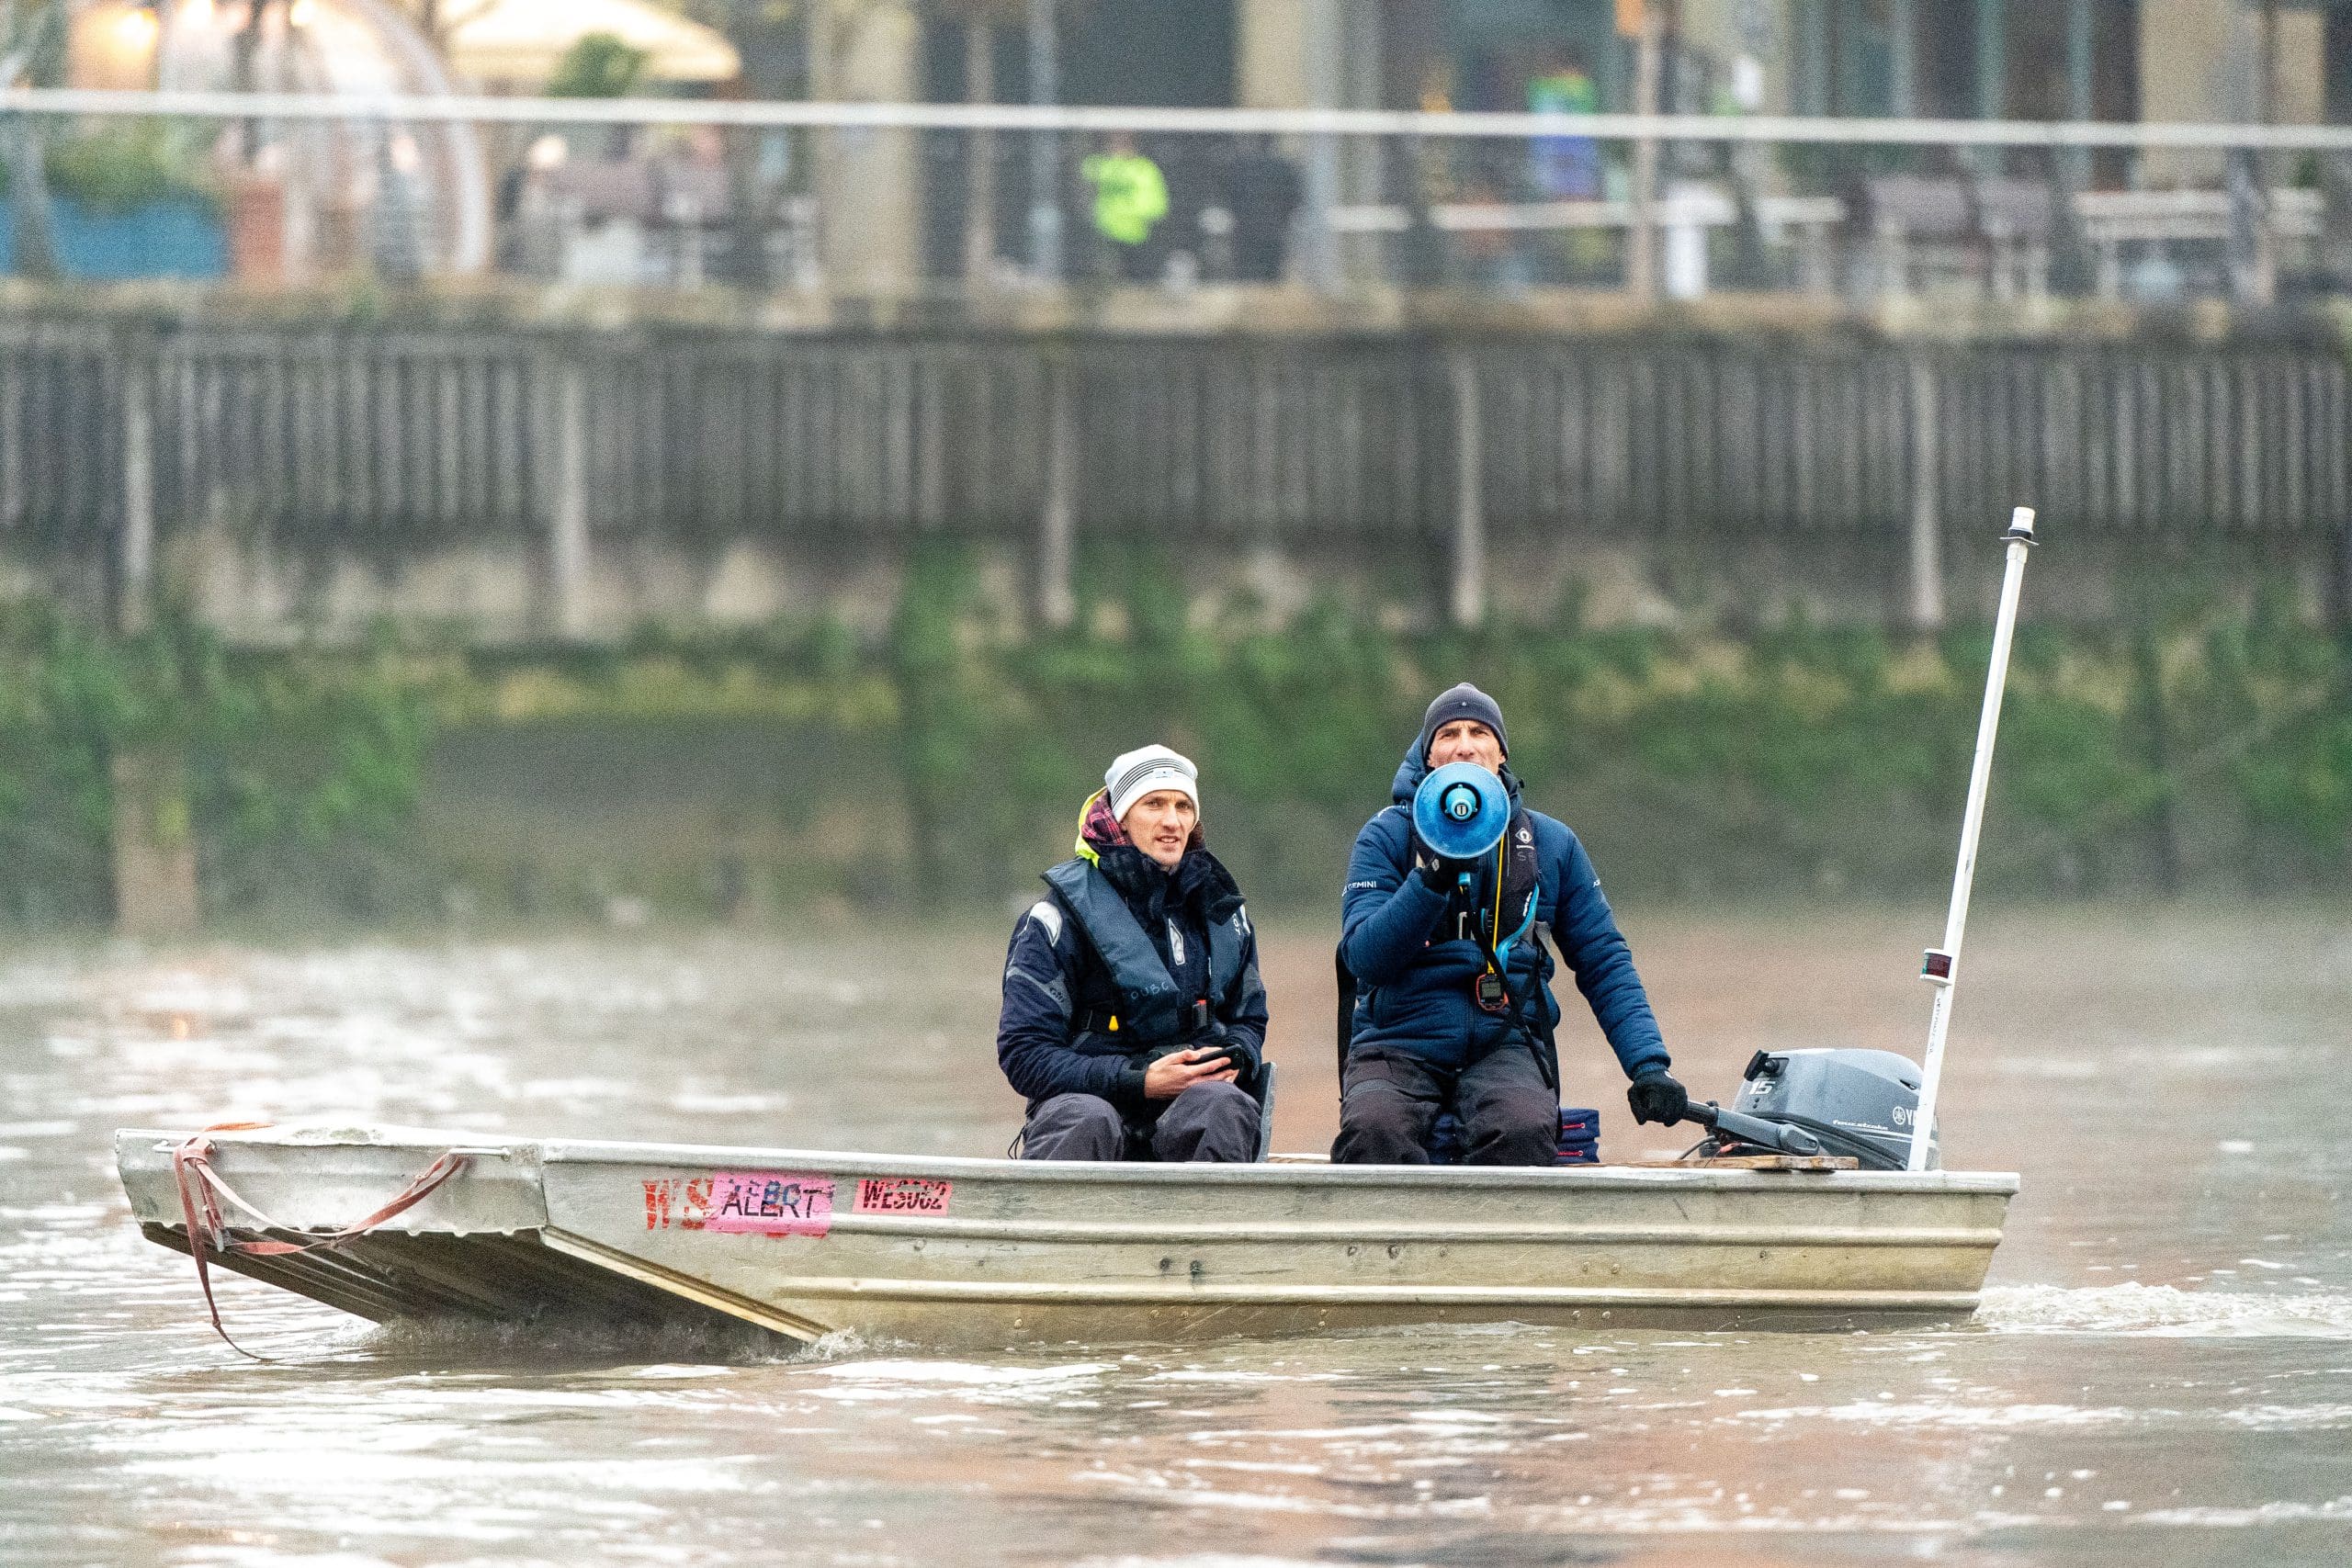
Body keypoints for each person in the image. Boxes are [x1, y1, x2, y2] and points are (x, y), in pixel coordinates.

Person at [1332, 683, 1687, 1165]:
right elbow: (1364, 958)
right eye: (1449, 734)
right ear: (1429, 756)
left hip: (1506, 1041)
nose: (1465, 744)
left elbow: (1604, 959)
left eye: (1479, 732)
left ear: (1500, 753)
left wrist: (1648, 1065)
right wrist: (1430, 879)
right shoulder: (1385, 837)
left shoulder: (1550, 844)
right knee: (1374, 1130)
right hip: (1397, 1041)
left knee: (1522, 1128)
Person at [998, 745, 1269, 1162]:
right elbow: (1024, 1053)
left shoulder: (1225, 915)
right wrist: (1139, 1081)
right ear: (1120, 817)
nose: (1171, 821)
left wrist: (1237, 1057)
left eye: (1183, 806)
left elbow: (1248, 1019)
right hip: (1084, 1105)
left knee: (1223, 1106)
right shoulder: (1053, 920)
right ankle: (1060, 1227)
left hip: (1195, 1108)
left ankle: (1208, 1228)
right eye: (1154, 804)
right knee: (1087, 1119)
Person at [1080, 132, 1170, 282]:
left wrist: (1129, 213)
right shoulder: (1096, 166)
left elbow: (1157, 208)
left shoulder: (1145, 169)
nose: (1120, 146)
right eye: (1115, 141)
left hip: (1139, 240)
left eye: (1125, 141)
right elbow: (1082, 193)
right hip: (1102, 238)